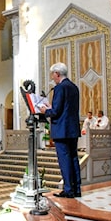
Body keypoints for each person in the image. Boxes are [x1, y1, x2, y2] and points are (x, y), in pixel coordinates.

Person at [40, 62, 81, 198]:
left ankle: (68, 190)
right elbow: (66, 108)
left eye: (53, 75)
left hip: (61, 130)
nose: (53, 78)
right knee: (74, 158)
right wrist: (52, 107)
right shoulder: (74, 87)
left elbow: (56, 112)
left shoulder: (59, 88)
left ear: (57, 73)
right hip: (72, 129)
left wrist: (46, 110)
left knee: (65, 160)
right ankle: (76, 189)